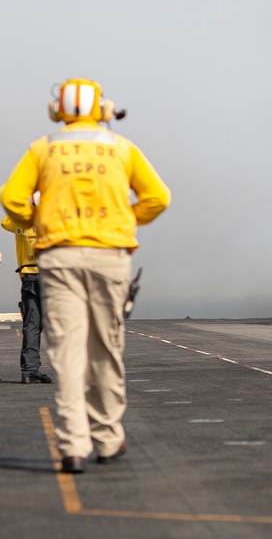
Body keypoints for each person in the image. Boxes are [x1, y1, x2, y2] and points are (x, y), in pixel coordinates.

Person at [1, 78, 170, 474]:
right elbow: (158, 198)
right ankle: (109, 438)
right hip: (109, 257)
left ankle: (73, 446)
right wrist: (127, 220)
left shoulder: (44, 148)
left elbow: (11, 198)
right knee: (105, 348)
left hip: (58, 260)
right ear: (103, 110)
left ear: (57, 111)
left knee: (67, 351)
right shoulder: (121, 148)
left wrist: (37, 220)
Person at [2, 209, 52, 383]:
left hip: (29, 277)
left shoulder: (20, 221)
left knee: (31, 324)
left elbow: (5, 222)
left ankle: (29, 371)